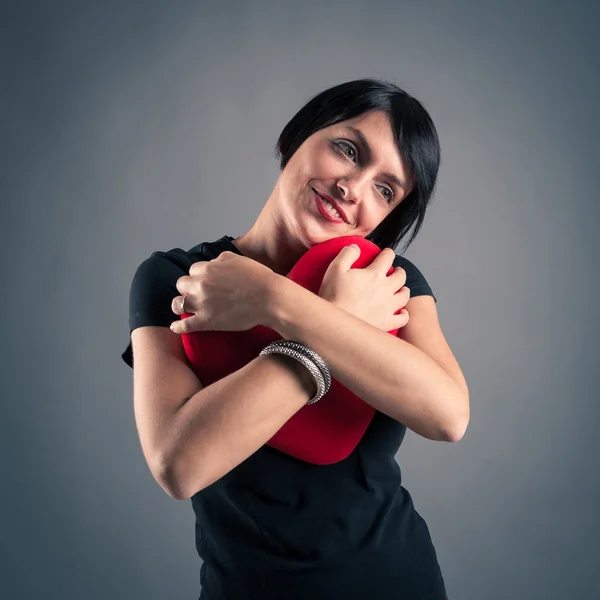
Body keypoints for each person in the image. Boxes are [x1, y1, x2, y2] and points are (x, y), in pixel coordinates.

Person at [121, 78, 469, 600]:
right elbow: (178, 463)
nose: (353, 187)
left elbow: (449, 415)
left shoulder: (387, 281)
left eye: (385, 190)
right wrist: (333, 319)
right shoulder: (179, 277)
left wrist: (273, 302)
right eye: (348, 150)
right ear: (296, 137)